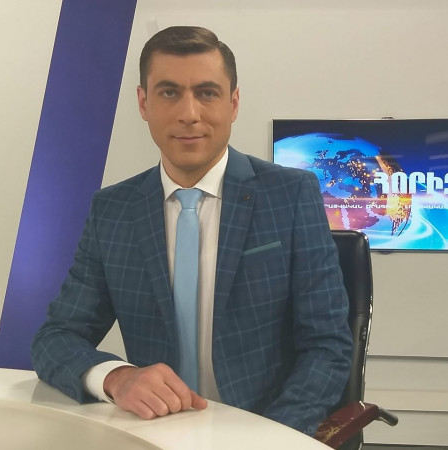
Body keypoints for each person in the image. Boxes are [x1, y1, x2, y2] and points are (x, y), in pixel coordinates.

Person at [31, 25, 352, 436]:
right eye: (169, 92)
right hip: (155, 434)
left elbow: (327, 347)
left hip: (264, 428)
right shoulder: (112, 210)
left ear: (233, 103)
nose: (189, 113)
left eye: (207, 93)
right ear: (143, 103)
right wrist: (117, 377)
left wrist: (269, 438)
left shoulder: (291, 195)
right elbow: (56, 337)